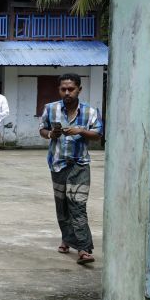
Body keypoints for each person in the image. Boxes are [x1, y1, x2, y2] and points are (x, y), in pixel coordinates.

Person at [38, 74, 103, 265]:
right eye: (63, 89)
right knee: (62, 206)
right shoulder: (50, 109)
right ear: (59, 90)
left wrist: (81, 131)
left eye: (71, 89)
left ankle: (84, 248)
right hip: (57, 164)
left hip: (80, 165)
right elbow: (42, 129)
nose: (67, 92)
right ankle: (67, 239)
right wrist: (51, 134)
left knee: (78, 205)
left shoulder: (90, 111)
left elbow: (98, 134)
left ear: (79, 90)